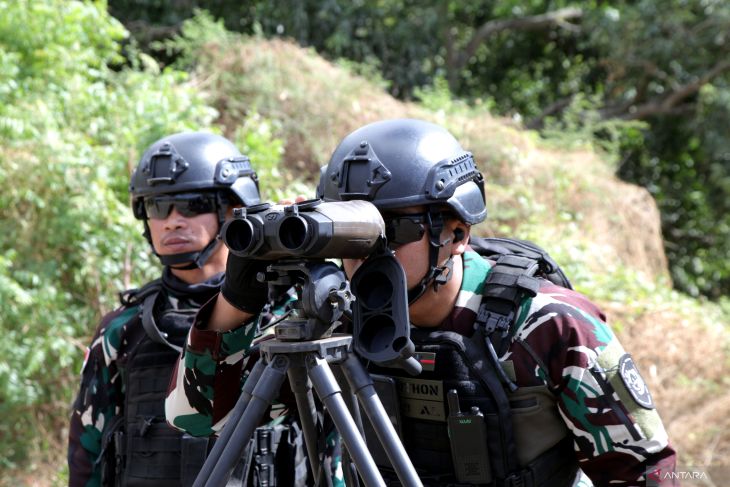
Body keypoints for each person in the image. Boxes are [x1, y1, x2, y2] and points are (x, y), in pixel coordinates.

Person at [165, 119, 677, 486]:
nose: (369, 254)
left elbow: (646, 472)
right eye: (355, 234)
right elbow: (195, 418)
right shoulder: (330, 317)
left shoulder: (546, 326)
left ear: (455, 232)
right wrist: (236, 302)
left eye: (390, 230)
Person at [67, 131, 266, 487]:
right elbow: (87, 457)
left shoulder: (282, 316)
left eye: (191, 206)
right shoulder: (122, 330)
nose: (172, 221)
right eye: (158, 207)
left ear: (234, 210)